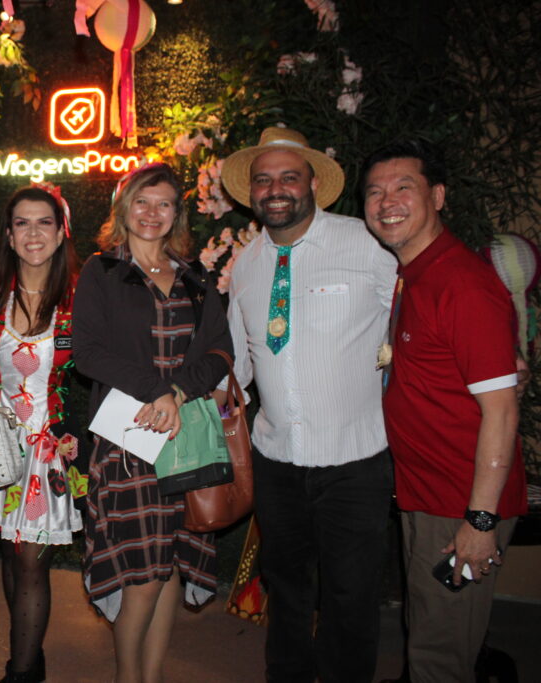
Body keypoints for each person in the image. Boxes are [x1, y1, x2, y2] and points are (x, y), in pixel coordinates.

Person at [218, 126, 396, 682]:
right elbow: (240, 367)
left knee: (351, 598)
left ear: (313, 183)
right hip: (277, 460)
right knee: (287, 592)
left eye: (288, 177)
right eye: (264, 180)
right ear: (252, 193)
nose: (276, 189)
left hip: (356, 459)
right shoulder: (244, 266)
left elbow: (421, 318)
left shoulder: (367, 244)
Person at [361, 139, 527, 683]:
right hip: (428, 494)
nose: (387, 201)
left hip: (461, 504)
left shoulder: (461, 282)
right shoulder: (416, 273)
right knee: (430, 632)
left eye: (403, 187)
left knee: (440, 655)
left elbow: (501, 412)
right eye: (376, 191)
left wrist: (480, 521)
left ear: (437, 195)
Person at [73, 163, 232, 683]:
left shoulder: (195, 277)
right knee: (140, 572)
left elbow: (219, 352)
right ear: (124, 208)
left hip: (186, 438)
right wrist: (157, 391)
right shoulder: (102, 270)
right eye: (142, 202)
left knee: (170, 568)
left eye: (163, 204)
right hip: (128, 441)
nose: (151, 213)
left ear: (176, 214)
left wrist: (181, 392)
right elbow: (88, 353)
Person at [0, 184, 85, 683]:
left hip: (48, 451)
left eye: (43, 223)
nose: (33, 233)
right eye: (22, 223)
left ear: (60, 234)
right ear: (9, 236)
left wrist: (78, 432)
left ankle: (21, 672)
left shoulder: (82, 297)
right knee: (12, 559)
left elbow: (97, 374)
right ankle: (30, 662)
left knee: (32, 562)